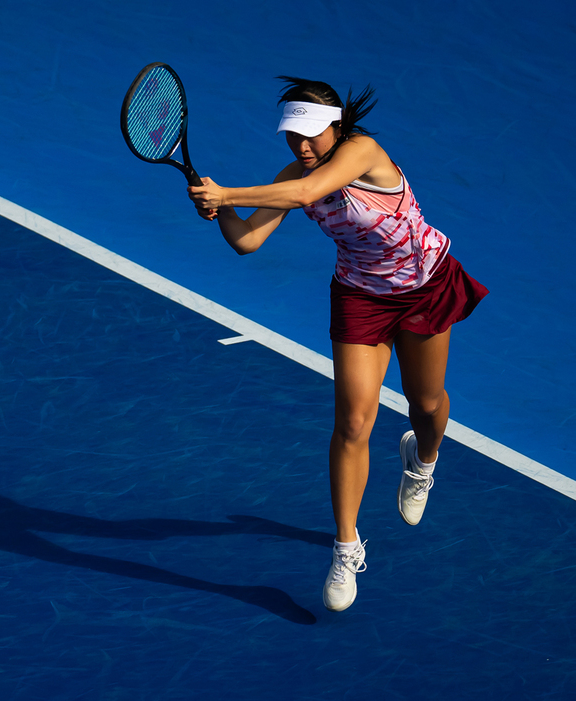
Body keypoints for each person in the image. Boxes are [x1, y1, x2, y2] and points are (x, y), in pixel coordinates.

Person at [187, 77, 488, 612]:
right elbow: (248, 241)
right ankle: (346, 546)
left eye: (312, 135)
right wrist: (219, 212)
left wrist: (229, 193)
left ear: (337, 126)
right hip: (360, 297)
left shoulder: (363, 151)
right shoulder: (290, 175)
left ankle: (422, 460)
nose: (302, 147)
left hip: (425, 286)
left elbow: (307, 194)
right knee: (352, 422)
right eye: (292, 136)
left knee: (426, 403)